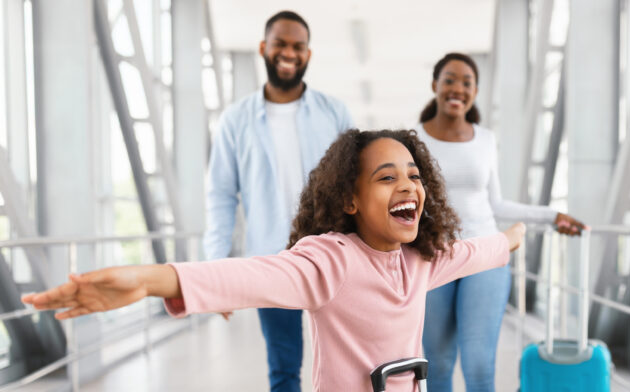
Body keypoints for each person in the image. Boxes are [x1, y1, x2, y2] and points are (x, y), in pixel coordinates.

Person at [21, 130, 527, 392]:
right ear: (350, 201)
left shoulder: (420, 260)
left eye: (414, 176)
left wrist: (512, 238)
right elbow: (249, 275)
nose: (408, 186)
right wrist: (153, 278)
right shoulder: (330, 261)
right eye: (387, 177)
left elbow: (471, 253)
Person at [415, 53, 587, 392]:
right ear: (435, 85)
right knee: (438, 363)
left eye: (467, 83)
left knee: (479, 364)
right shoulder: (412, 138)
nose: (457, 89)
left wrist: (552, 216)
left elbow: (497, 204)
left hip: (486, 255)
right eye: (450, 79)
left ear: (475, 91)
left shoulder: (486, 140)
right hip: (433, 258)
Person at [204, 10, 353, 391]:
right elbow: (221, 195)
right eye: (280, 44)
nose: (289, 53)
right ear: (263, 49)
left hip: (334, 257)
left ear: (308, 54)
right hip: (272, 260)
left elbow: (357, 185)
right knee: (284, 370)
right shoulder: (236, 120)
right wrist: (215, 270)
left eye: (298, 46)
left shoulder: (334, 112)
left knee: (346, 367)